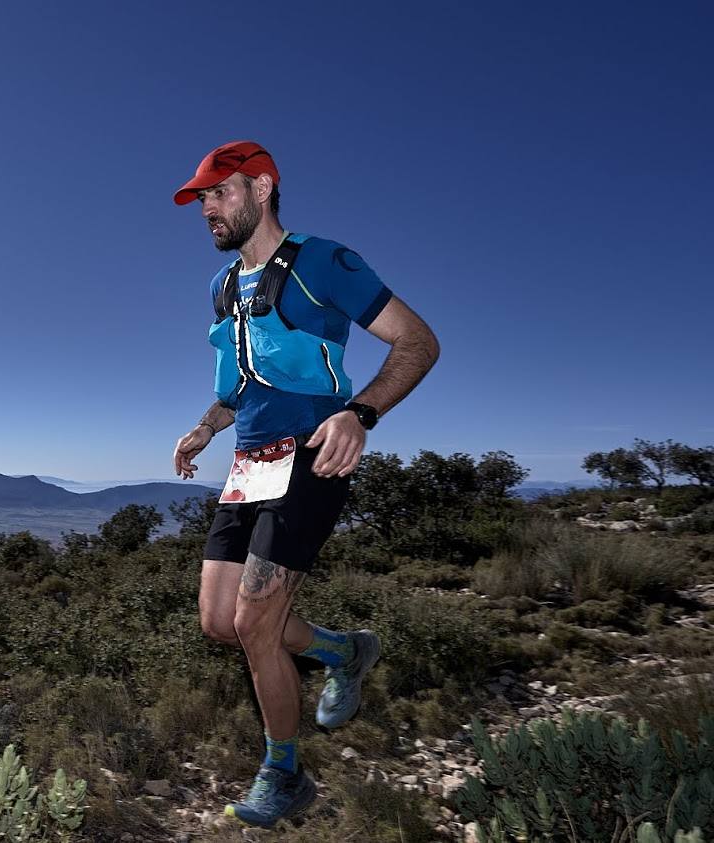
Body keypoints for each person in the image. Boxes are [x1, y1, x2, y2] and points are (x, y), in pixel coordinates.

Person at [171, 140, 440, 829]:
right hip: (249, 463)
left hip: (313, 457)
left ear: (261, 187)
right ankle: (346, 650)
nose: (206, 208)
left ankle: (283, 771)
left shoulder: (324, 261)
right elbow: (237, 387)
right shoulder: (222, 286)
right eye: (201, 198)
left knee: (257, 624)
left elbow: (416, 342)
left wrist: (361, 413)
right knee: (219, 623)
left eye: (218, 192)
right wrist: (204, 427)